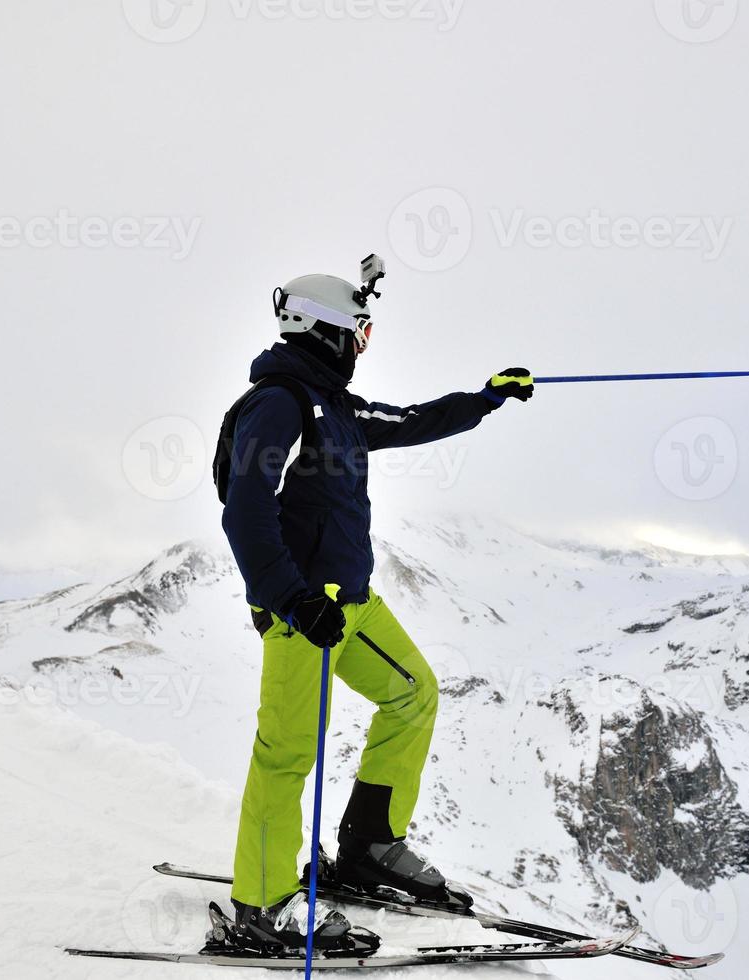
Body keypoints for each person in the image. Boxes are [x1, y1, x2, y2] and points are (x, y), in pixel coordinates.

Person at [219, 263, 534, 952]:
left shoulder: (338, 408)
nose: (363, 346)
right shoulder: (280, 403)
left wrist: (486, 398)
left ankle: (368, 848)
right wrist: (294, 601)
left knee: (413, 693)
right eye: (357, 332)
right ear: (324, 330)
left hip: (352, 606)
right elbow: (245, 513)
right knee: (287, 754)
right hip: (303, 611)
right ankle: (261, 908)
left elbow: (412, 420)